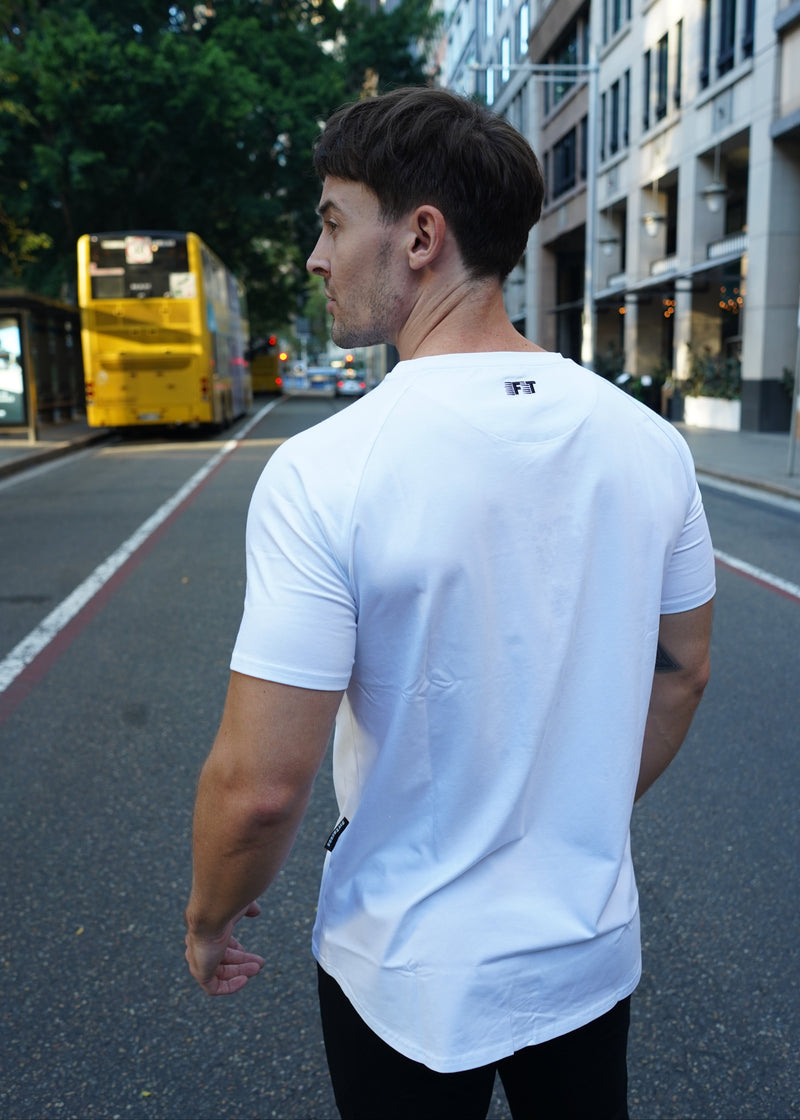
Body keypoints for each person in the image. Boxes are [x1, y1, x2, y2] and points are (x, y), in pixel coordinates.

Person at [184, 87, 715, 1120]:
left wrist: (208, 918)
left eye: (333, 220)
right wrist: (565, 812)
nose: (314, 254)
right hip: (586, 946)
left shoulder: (326, 469)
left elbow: (259, 783)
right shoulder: (647, 443)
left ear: (420, 235)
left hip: (402, 963)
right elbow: (681, 669)